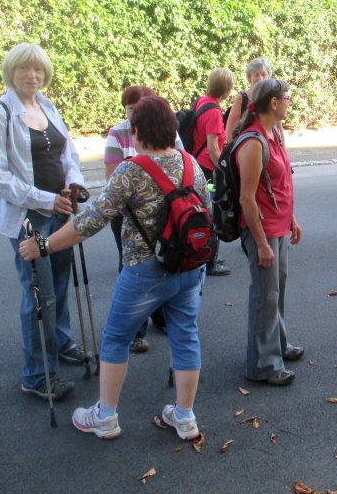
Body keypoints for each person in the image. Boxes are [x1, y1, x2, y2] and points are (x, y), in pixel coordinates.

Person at [20, 96, 209, 440]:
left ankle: (105, 417)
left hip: (144, 271)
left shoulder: (131, 170)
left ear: (136, 132)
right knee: (185, 336)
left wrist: (43, 245)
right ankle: (185, 417)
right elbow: (205, 211)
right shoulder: (191, 163)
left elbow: (90, 221)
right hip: (188, 267)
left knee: (116, 338)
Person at [0, 42, 85, 402]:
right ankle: (37, 374)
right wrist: (45, 199)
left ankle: (60, 341)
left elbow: (69, 154)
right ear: (11, 72)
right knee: (41, 294)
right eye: (24, 68)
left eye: (38, 69)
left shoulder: (47, 106)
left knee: (61, 282)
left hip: (61, 210)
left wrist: (74, 183)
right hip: (29, 218)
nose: (32, 75)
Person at [234, 79, 303, 386]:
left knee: (276, 291)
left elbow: (280, 182)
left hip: (279, 225)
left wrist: (292, 219)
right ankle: (263, 365)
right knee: (265, 296)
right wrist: (261, 244)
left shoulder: (274, 133)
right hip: (263, 230)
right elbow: (246, 199)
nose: (290, 103)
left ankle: (278, 345)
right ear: (273, 103)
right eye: (287, 98)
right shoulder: (253, 142)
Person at [104, 85, 183, 351]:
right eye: (130, 109)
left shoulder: (168, 132)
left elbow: (181, 163)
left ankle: (161, 318)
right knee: (131, 264)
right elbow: (112, 180)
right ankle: (137, 330)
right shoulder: (118, 133)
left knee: (166, 261)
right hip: (128, 214)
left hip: (166, 210)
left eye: (138, 109)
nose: (133, 114)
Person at [191, 67, 236, 277]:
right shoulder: (214, 112)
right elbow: (213, 148)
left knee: (204, 213)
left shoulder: (202, 101)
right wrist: (224, 170)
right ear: (225, 89)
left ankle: (207, 257)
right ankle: (210, 261)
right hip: (208, 168)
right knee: (212, 214)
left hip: (198, 165)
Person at [224, 58, 272, 143]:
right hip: (245, 147)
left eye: (263, 74)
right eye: (256, 75)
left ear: (269, 76)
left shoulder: (273, 97)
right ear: (250, 78)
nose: (260, 78)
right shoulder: (241, 98)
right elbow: (229, 133)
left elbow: (279, 131)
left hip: (269, 147)